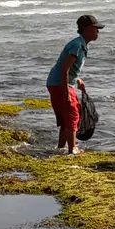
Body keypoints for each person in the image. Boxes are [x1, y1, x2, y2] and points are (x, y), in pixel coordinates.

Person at [46, 12, 104, 155]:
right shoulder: (77, 45)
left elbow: (68, 68)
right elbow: (64, 68)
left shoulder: (81, 45)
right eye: (96, 29)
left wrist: (77, 80)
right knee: (73, 114)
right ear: (87, 29)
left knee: (66, 117)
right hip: (60, 83)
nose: (98, 32)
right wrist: (66, 92)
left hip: (56, 82)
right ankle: (72, 150)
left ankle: (61, 148)